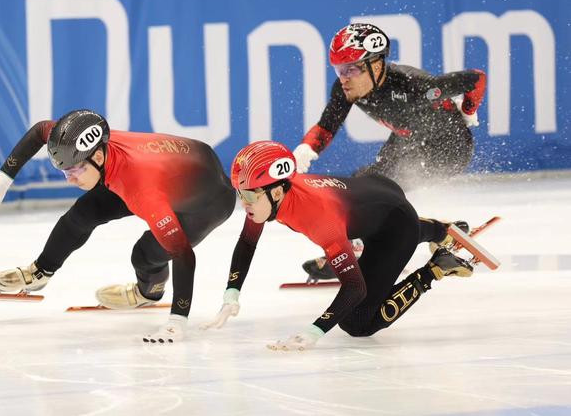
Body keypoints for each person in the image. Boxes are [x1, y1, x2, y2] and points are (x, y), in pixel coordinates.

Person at [0, 109, 236, 343]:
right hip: (178, 167)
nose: (69, 179)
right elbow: (39, 131)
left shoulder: (143, 191)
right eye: (64, 171)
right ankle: (41, 272)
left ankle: (147, 293)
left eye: (75, 170)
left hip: (208, 202)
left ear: (99, 157)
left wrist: (178, 317)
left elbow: (183, 254)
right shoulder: (82, 143)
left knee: (146, 253)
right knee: (83, 213)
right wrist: (1, 181)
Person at [202, 140, 478, 350]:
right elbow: (247, 242)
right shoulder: (270, 197)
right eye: (240, 193)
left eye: (248, 195)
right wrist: (231, 295)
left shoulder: (322, 221)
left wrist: (315, 331)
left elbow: (355, 288)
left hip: (394, 223)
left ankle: (436, 266)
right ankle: (436, 230)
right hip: (376, 195)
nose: (243, 203)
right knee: (382, 220)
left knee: (357, 324)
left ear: (276, 192)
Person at [292, 22, 487, 281]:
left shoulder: (414, 86)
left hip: (449, 149)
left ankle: (385, 242)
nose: (343, 77)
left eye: (350, 69)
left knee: (373, 190)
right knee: (362, 181)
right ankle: (427, 233)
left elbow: (476, 78)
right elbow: (327, 126)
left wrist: (469, 110)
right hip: (408, 140)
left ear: (375, 65)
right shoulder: (346, 89)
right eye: (339, 69)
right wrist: (307, 147)